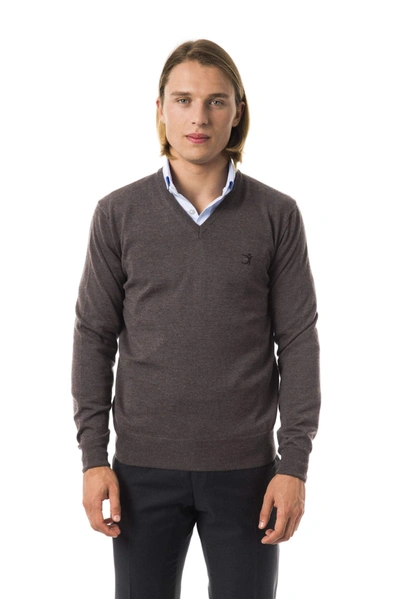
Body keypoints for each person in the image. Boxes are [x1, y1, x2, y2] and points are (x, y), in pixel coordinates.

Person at [71, 39, 321, 599]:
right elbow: (93, 337)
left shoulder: (277, 215)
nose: (199, 117)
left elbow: (299, 341)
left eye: (216, 101)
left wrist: (294, 465)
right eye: (183, 100)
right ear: (161, 109)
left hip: (248, 473)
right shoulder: (118, 214)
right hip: (140, 471)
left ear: (238, 111)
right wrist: (92, 458)